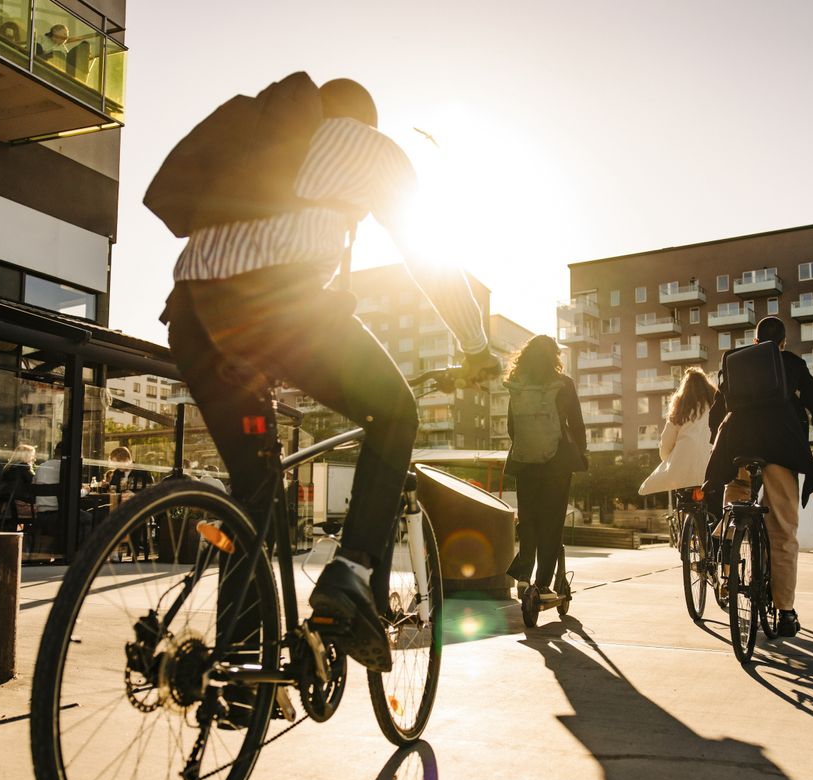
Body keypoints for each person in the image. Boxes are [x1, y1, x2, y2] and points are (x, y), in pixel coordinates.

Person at [162, 76, 500, 672]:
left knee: (256, 483)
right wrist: (475, 345)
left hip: (194, 316)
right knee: (396, 413)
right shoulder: (370, 147)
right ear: (363, 120)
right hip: (275, 308)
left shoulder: (265, 142)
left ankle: (240, 675)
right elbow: (430, 257)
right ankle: (349, 575)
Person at [705, 316, 813, 638]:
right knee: (783, 531)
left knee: (733, 505)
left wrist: (717, 445)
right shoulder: (791, 363)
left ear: (756, 340)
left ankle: (726, 560)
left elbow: (718, 411)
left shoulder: (737, 361)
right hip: (780, 446)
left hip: (736, 445)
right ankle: (786, 611)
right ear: (783, 342)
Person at [502, 335, 587, 601]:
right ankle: (542, 585)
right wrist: (580, 453)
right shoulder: (564, 384)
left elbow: (511, 428)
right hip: (557, 464)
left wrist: (529, 446)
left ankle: (523, 577)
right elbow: (577, 424)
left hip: (525, 464)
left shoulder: (518, 386)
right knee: (551, 524)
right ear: (554, 357)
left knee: (529, 521)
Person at [638, 368, 717, 504]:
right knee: (714, 511)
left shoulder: (681, 409)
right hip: (712, 468)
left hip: (683, 471)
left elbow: (666, 444)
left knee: (685, 505)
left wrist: (669, 460)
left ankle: (688, 521)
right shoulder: (716, 407)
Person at [0, 444, 38, 523]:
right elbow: (35, 483)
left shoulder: (8, 468)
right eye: (32, 455)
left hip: (7, 508)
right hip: (19, 508)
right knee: (47, 510)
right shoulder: (23, 467)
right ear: (26, 456)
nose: (34, 459)